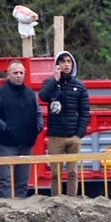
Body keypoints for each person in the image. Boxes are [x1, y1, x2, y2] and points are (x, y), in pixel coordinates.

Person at [0, 60, 43, 198]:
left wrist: (36, 128)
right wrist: (5, 129)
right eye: (15, 73)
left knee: (22, 183)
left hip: (26, 145)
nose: (18, 75)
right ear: (8, 75)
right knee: (5, 181)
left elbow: (38, 114)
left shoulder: (31, 94)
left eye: (21, 73)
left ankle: (20, 211)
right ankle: (5, 210)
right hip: (6, 145)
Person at [38, 51, 90, 197]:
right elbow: (42, 97)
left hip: (73, 136)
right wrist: (55, 80)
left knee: (72, 172)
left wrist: (79, 134)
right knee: (55, 173)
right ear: (57, 65)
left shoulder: (79, 86)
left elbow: (85, 111)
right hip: (55, 137)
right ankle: (56, 200)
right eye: (62, 62)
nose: (66, 64)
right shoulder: (50, 83)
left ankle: (71, 201)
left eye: (69, 61)